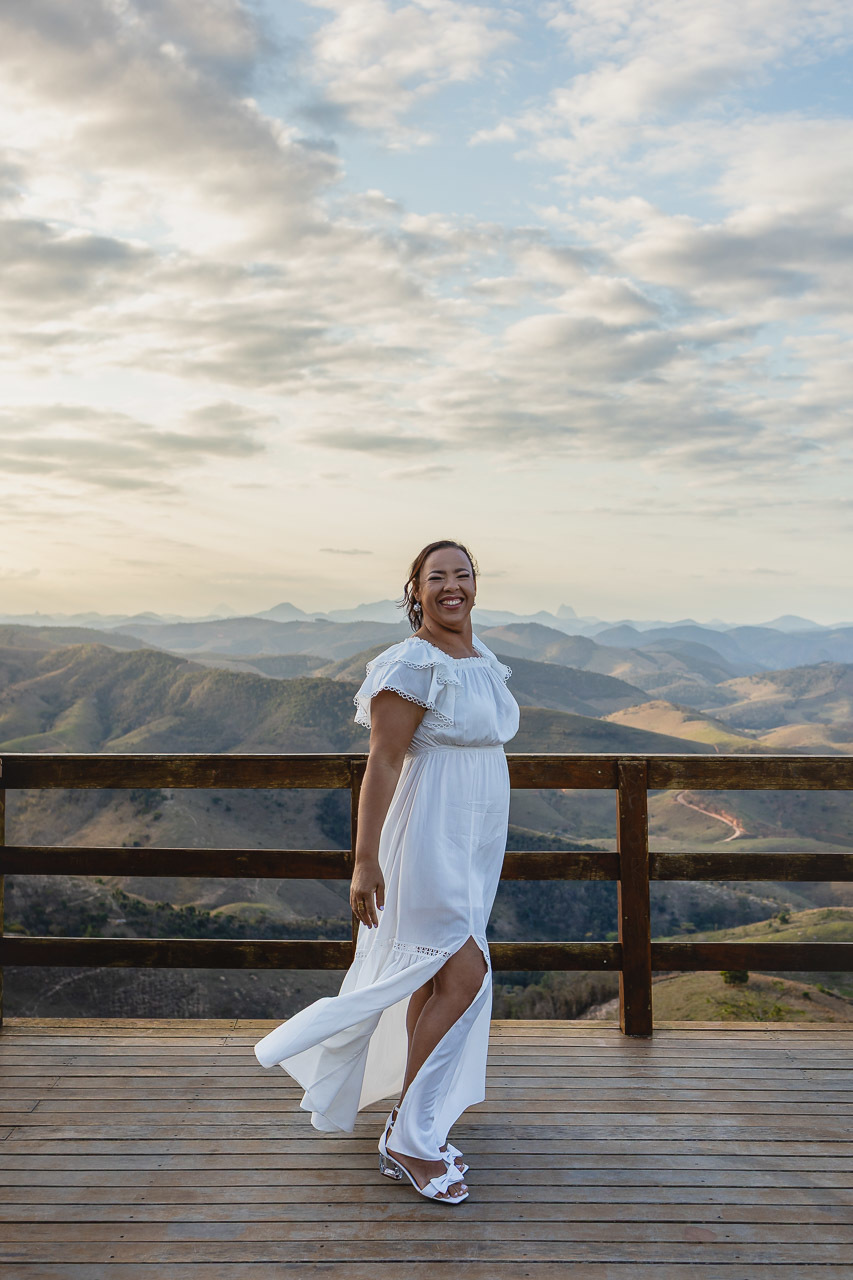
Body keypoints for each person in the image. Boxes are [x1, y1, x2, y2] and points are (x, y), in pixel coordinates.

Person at [254, 539, 520, 1204]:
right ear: (415, 590)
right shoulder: (412, 662)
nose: (451, 587)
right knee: (464, 973)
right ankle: (407, 1140)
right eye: (437, 577)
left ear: (475, 585)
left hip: (472, 841)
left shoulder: (479, 658)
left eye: (462, 575)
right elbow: (383, 761)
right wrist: (365, 857)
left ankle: (413, 1121)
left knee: (433, 977)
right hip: (427, 835)